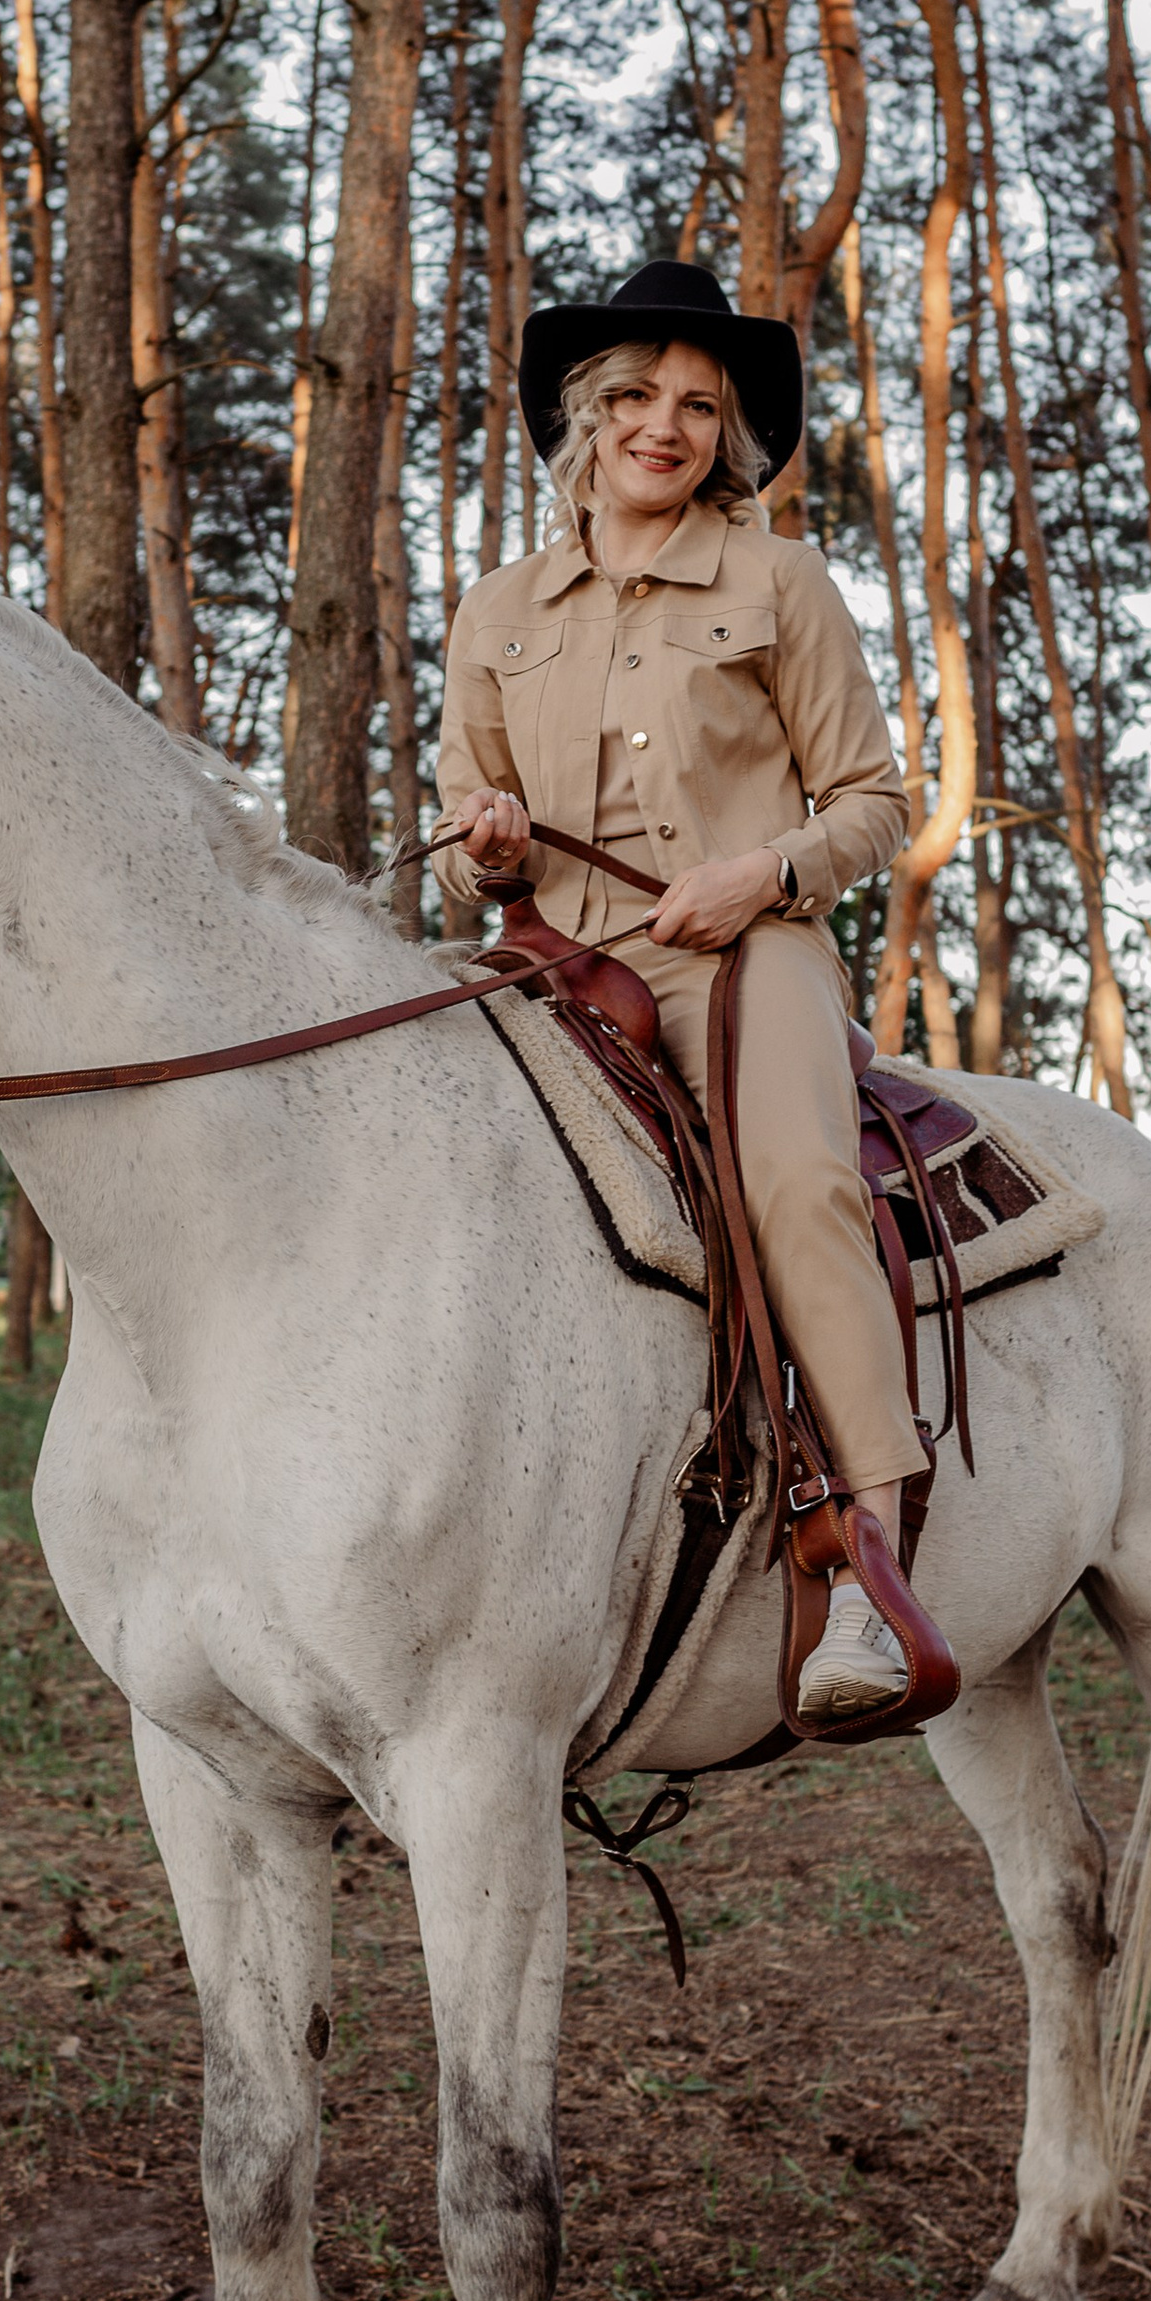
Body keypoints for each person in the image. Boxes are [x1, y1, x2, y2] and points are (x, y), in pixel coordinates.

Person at [438, 258, 938, 1720]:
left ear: (732, 440)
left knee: (793, 1181)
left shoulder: (779, 581)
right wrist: (489, 848)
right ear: (586, 420)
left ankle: (868, 1574)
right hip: (556, 962)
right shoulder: (497, 608)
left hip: (742, 953)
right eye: (641, 397)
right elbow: (469, 833)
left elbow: (871, 797)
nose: (669, 425)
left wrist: (763, 876)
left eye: (703, 408)